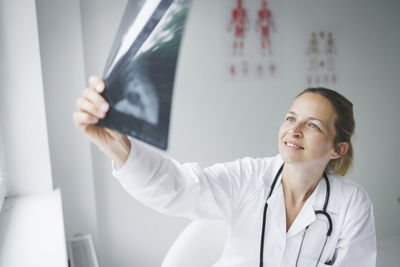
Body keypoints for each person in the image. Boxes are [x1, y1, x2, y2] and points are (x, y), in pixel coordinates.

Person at [73, 76, 376, 267]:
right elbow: (179, 188)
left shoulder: (351, 203)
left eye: (312, 125)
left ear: (338, 149)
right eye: (290, 117)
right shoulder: (249, 176)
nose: (293, 130)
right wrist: (117, 146)